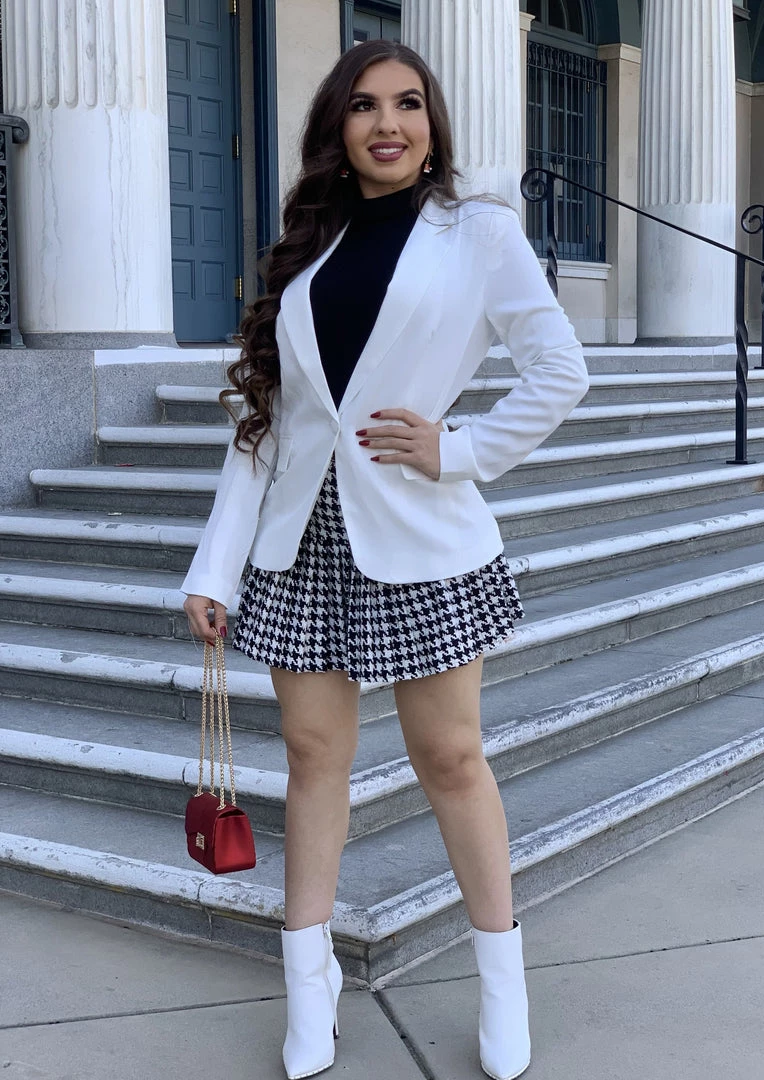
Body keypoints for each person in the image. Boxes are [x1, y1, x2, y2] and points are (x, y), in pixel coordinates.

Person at [182, 39, 588, 1080]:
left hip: (419, 534)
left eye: (407, 103)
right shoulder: (307, 248)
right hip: (299, 541)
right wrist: (214, 567)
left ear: (432, 124)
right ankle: (306, 989)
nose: (387, 123)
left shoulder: (477, 233)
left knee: (450, 759)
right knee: (311, 760)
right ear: (339, 126)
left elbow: (559, 368)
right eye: (364, 106)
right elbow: (265, 422)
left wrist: (460, 448)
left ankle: (501, 984)